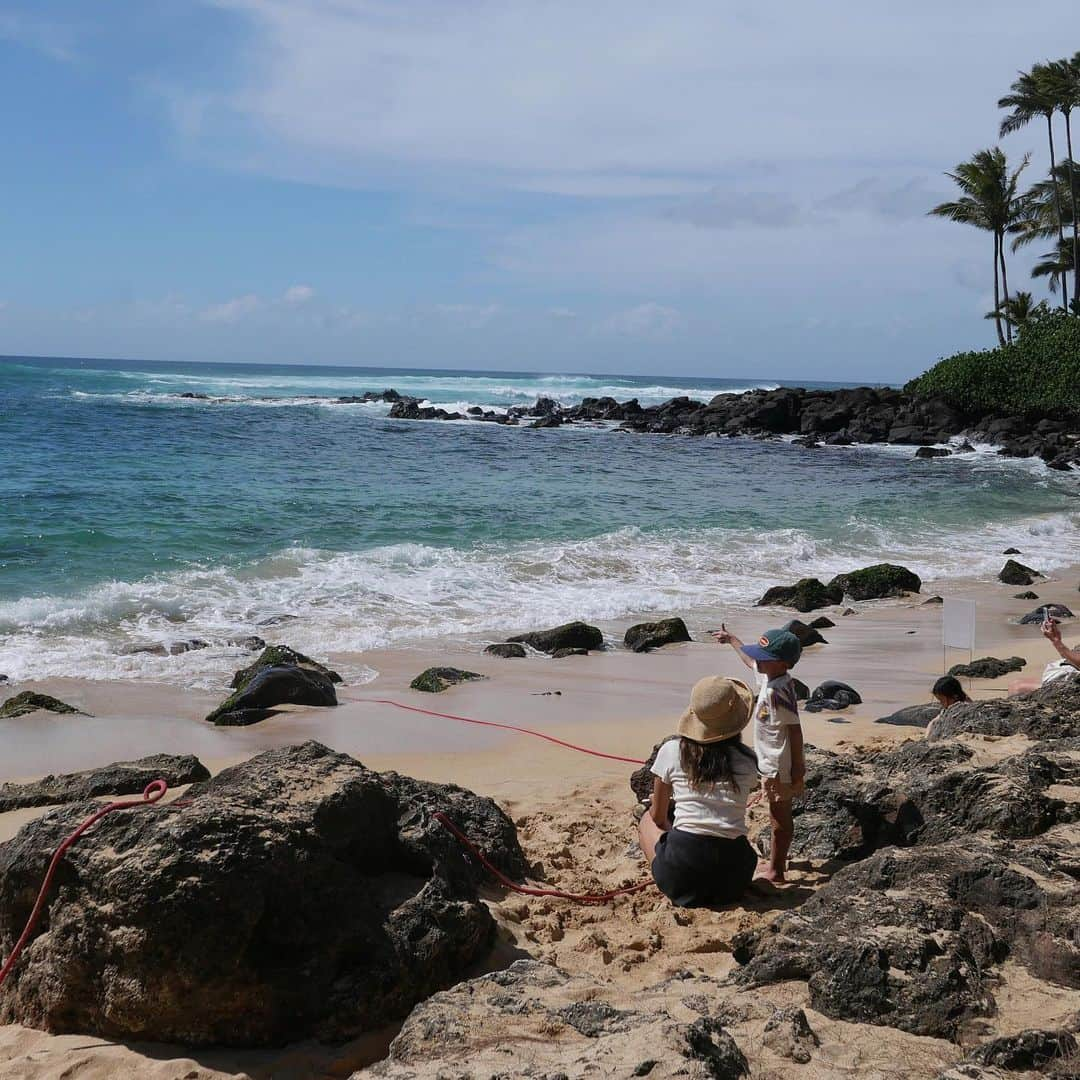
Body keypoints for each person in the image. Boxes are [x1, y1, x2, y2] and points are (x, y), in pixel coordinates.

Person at [638, 675, 759, 907]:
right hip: (735, 878)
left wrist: (658, 803)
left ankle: (665, 868)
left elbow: (658, 817)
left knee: (647, 820)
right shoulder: (747, 761)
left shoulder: (672, 751)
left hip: (682, 876)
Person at [712, 624, 804, 884]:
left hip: (779, 765)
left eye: (764, 658)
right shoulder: (769, 677)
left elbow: (795, 731)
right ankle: (777, 861)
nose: (758, 662)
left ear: (783, 663)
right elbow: (749, 659)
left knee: (779, 818)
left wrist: (797, 767)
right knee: (776, 814)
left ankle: (776, 870)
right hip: (769, 763)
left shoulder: (779, 692)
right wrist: (732, 639)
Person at [1009, 616, 1080, 694]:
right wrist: (1057, 639)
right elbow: (1072, 658)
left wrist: (1056, 641)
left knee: (1017, 687)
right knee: (1017, 683)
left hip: (1073, 676)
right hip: (1069, 669)